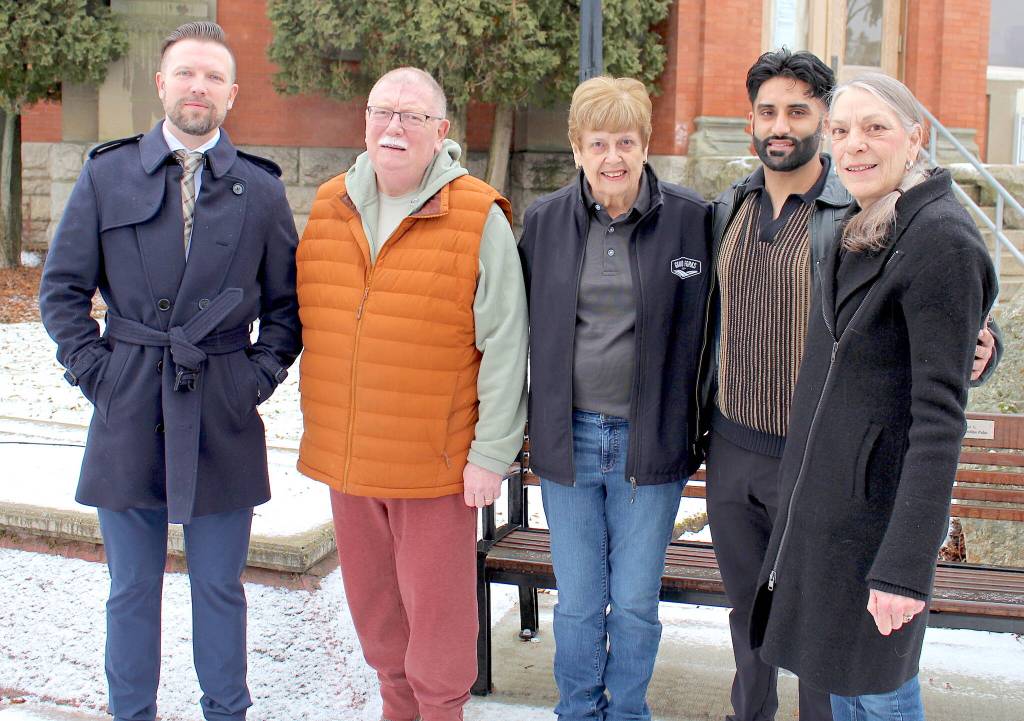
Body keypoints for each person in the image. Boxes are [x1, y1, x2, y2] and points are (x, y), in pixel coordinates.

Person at [700, 50, 999, 721]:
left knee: (857, 680)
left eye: (875, 128)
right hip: (784, 479)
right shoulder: (765, 213)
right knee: (793, 648)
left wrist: (902, 567)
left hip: (853, 501)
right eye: (846, 130)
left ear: (915, 135)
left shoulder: (905, 227)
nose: (855, 144)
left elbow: (938, 403)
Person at [38, 21, 301, 721]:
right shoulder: (106, 172)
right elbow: (61, 291)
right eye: (186, 73)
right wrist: (98, 373)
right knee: (130, 588)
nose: (198, 87)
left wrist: (253, 380)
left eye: (214, 77)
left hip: (220, 406)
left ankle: (227, 710)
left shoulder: (261, 190)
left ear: (232, 94)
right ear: (162, 83)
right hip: (129, 402)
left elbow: (286, 312)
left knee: (220, 585)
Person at [295, 67, 527, 721]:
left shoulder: (477, 215)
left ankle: (441, 710)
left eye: (412, 116)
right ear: (365, 121)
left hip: (436, 465)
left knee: (439, 620)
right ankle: (396, 708)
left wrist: (492, 450)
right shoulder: (328, 204)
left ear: (441, 132)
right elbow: (310, 316)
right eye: (382, 112)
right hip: (351, 460)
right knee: (375, 614)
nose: (393, 127)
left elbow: (507, 344)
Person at [518, 76, 711, 721]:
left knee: (632, 599)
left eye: (625, 142)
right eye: (597, 143)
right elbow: (503, 322)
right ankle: (576, 710)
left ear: (646, 144)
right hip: (567, 439)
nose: (613, 159)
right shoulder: (544, 223)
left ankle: (627, 710)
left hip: (648, 440)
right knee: (577, 599)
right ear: (576, 149)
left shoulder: (691, 220)